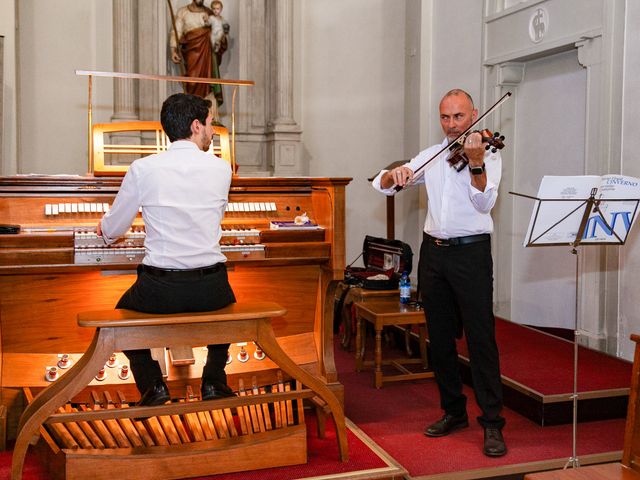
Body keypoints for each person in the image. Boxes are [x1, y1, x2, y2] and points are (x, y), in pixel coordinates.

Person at [372, 89, 506, 457]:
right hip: (434, 254)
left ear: (473, 114)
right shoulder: (432, 156)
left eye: (458, 117)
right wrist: (392, 175)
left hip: (471, 254)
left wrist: (476, 162)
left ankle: (492, 423)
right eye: (445, 118)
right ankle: (453, 411)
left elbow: (485, 201)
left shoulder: (488, 153)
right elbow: (382, 183)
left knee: (481, 340)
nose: (451, 125)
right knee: (441, 340)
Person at [97, 93, 236, 407]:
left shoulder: (143, 168)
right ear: (196, 125)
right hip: (211, 288)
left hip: (161, 290)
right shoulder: (222, 169)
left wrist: (104, 230)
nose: (213, 132)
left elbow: (115, 229)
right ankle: (213, 379)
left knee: (121, 311)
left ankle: (153, 385)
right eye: (211, 124)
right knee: (229, 301)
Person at [170, 0, 223, 105]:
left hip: (207, 54)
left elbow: (218, 29)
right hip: (191, 52)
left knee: (208, 83)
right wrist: (173, 50)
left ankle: (208, 112)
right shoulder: (183, 12)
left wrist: (220, 38)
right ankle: (192, 109)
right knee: (192, 82)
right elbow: (176, 32)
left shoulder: (209, 12)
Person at [210, 0, 230, 68]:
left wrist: (225, 35)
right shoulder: (211, 18)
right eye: (214, 9)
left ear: (221, 9)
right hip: (212, 38)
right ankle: (214, 46)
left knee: (220, 35)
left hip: (219, 36)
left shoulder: (223, 20)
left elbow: (226, 30)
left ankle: (217, 45)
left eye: (217, 9)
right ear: (212, 9)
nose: (216, 11)